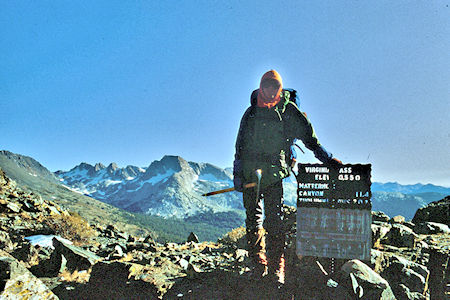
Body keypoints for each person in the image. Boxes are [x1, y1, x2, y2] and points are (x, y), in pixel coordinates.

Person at [233, 70, 341, 285]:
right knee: (252, 220)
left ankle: (276, 267)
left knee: (274, 222)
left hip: (274, 174)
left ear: (279, 88)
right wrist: (237, 174)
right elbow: (240, 146)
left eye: (274, 86)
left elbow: (311, 140)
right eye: (267, 86)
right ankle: (258, 263)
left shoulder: (289, 111)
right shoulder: (251, 112)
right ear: (261, 87)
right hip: (249, 174)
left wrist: (328, 160)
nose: (270, 90)